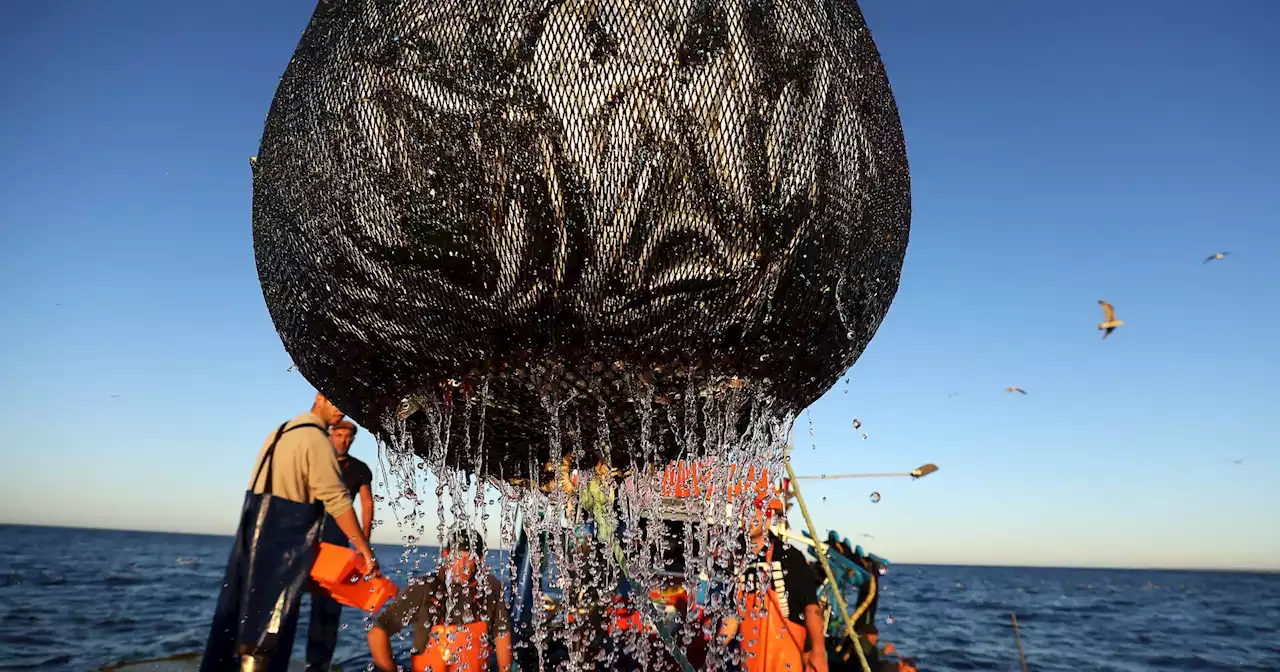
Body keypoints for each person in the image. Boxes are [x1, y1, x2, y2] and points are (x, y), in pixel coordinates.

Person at [201, 393, 378, 672]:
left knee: (238, 615)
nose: (340, 414)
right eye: (335, 404)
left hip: (251, 531)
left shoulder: (279, 432)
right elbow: (337, 501)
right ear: (319, 396)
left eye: (344, 410)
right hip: (286, 538)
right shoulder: (316, 440)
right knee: (272, 625)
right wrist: (365, 550)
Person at [367, 529, 514, 672]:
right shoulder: (424, 588)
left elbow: (502, 635)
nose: (462, 565)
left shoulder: (490, 589)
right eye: (456, 556)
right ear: (445, 554)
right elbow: (377, 633)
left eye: (468, 557)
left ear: (479, 559)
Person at [720, 497, 828, 672]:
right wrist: (714, 648)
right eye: (744, 514)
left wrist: (818, 652)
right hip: (750, 664)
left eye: (754, 514)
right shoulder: (739, 561)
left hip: (786, 662)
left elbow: (811, 608)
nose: (747, 519)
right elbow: (734, 617)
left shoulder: (789, 557)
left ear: (768, 519)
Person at [305, 419, 376, 672]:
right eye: (339, 435)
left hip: (337, 540)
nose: (343, 440)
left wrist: (363, 543)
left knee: (328, 605)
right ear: (331, 434)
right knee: (287, 598)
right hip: (307, 536)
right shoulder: (316, 460)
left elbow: (367, 504)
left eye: (348, 437)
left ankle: (319, 665)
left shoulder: (359, 469)